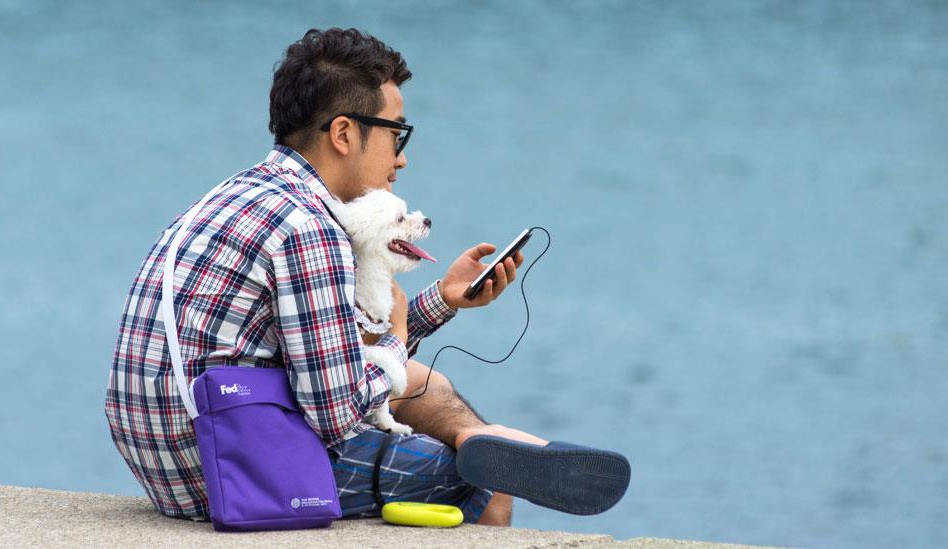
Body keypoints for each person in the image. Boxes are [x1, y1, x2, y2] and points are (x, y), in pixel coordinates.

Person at [105, 27, 629, 527]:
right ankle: (495, 449)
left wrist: (442, 301)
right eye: (396, 134)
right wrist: (399, 344)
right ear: (343, 133)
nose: (401, 158)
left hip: (171, 446)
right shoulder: (311, 229)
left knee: (424, 385)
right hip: (224, 471)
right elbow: (335, 412)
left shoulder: (240, 194)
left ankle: (484, 436)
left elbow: (336, 345)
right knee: (484, 481)